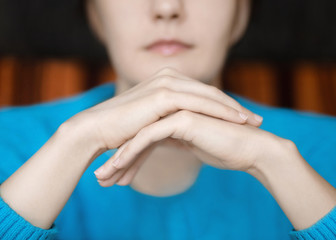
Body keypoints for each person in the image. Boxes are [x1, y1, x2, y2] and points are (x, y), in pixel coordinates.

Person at [0, 0, 335, 239]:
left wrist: (277, 163)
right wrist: (76, 142)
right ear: (95, 14)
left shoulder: (325, 148)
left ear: (241, 12)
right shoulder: (7, 138)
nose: (167, 7)